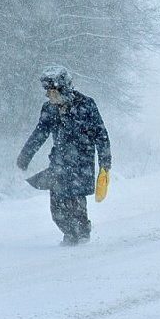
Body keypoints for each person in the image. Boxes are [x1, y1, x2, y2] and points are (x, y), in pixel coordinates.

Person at [17, 66, 111, 246]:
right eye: (48, 92)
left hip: (81, 164)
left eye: (53, 92)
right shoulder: (49, 109)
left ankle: (82, 236)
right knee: (57, 209)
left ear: (65, 89)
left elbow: (101, 135)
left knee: (75, 204)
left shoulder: (86, 105)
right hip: (58, 164)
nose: (50, 96)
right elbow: (39, 133)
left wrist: (105, 164)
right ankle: (70, 234)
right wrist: (25, 155)